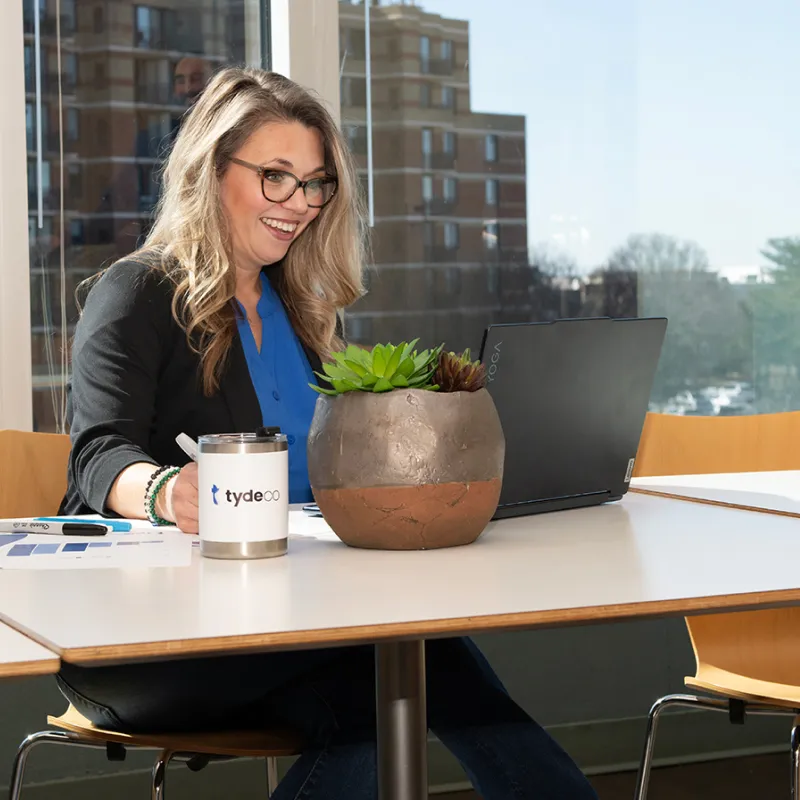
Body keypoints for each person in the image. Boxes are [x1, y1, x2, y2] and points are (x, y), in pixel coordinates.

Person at [58, 66, 598, 800]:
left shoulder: (300, 309)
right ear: (212, 171)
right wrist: (163, 491)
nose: (299, 204)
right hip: (153, 637)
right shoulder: (140, 292)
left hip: (293, 616)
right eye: (275, 177)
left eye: (315, 184)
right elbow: (97, 452)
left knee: (389, 682)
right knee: (410, 660)